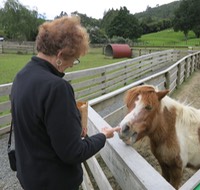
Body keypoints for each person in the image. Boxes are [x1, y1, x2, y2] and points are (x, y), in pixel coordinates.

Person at [10, 16, 120, 190]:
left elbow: (37, 127)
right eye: (74, 59)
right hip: (55, 183)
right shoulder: (57, 87)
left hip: (29, 178)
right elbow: (73, 152)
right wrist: (102, 136)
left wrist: (71, 127)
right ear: (60, 56)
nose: (72, 65)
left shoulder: (22, 76)